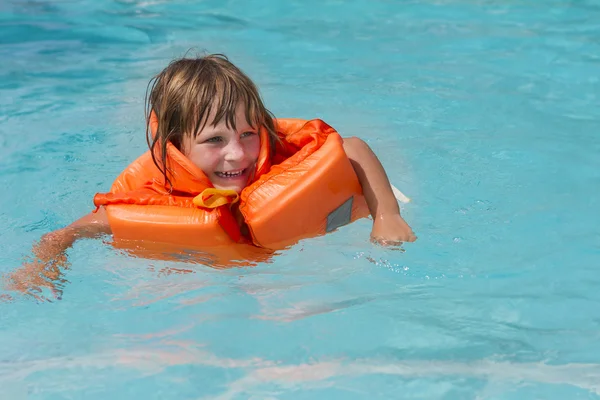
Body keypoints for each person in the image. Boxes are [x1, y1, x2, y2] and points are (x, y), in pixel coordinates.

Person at [6, 54, 416, 299]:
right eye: (214, 140)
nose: (236, 154)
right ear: (176, 144)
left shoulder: (285, 155)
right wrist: (41, 267)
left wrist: (387, 215)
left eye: (248, 134)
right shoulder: (156, 194)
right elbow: (64, 233)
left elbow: (354, 148)